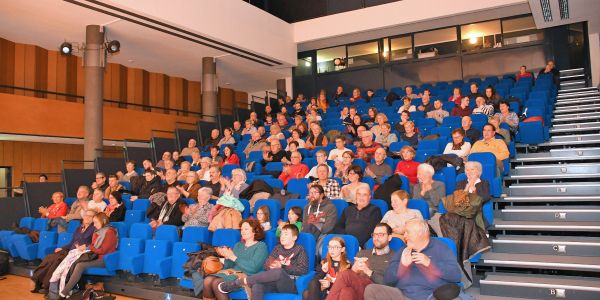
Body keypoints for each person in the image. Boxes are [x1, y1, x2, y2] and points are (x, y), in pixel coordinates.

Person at [364, 220, 464, 300]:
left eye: (408, 232)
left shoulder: (441, 248)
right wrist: (402, 267)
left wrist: (430, 263)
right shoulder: (403, 251)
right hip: (402, 295)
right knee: (371, 290)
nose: (404, 236)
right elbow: (388, 280)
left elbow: (456, 276)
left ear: (420, 233)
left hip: (431, 295)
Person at [218, 224, 309, 299]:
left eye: (286, 234)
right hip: (273, 282)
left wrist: (282, 266)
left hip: (289, 283)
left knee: (279, 271)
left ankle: (239, 282)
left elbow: (302, 270)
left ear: (294, 237)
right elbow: (265, 266)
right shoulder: (277, 248)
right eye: (281, 234)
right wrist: (271, 265)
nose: (282, 236)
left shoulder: (300, 249)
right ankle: (242, 282)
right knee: (257, 285)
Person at [51, 212, 118, 299]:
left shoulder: (109, 232)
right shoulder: (98, 231)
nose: (94, 225)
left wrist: (88, 247)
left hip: (104, 259)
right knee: (76, 262)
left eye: (96, 222)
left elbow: (102, 250)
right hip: (95, 256)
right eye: (93, 222)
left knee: (80, 265)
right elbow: (94, 247)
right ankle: (69, 290)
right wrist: (86, 247)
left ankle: (64, 292)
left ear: (104, 221)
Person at [30, 210, 95, 294]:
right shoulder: (79, 228)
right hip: (69, 250)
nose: (87, 217)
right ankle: (38, 281)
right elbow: (72, 242)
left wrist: (84, 247)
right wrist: (62, 247)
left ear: (94, 218)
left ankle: (47, 286)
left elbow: (92, 244)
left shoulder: (93, 229)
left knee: (57, 261)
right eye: (86, 215)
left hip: (77, 253)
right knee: (51, 257)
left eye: (90, 216)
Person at [326, 223, 396, 300]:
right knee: (346, 291)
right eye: (375, 235)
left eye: (380, 234)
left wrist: (368, 271)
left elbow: (389, 284)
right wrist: (354, 269)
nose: (376, 238)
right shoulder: (363, 253)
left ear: (389, 237)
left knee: (345, 275)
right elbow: (351, 276)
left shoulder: (395, 257)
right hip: (359, 289)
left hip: (375, 291)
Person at [203, 219, 269, 300]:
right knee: (207, 280)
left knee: (216, 283)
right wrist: (226, 256)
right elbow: (230, 265)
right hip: (232, 273)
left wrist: (233, 257)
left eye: (246, 229)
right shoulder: (238, 245)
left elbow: (253, 268)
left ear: (255, 231)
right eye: (241, 229)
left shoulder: (261, 246)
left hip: (247, 277)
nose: (242, 231)